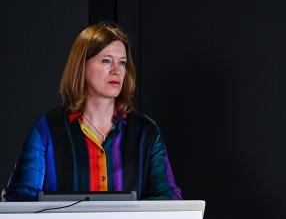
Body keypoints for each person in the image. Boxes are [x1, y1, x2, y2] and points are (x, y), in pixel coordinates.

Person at [3, 22, 181, 202]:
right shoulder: (48, 129)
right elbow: (19, 199)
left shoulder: (145, 131)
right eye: (106, 60)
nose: (117, 70)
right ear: (82, 66)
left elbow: (169, 197)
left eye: (122, 62)